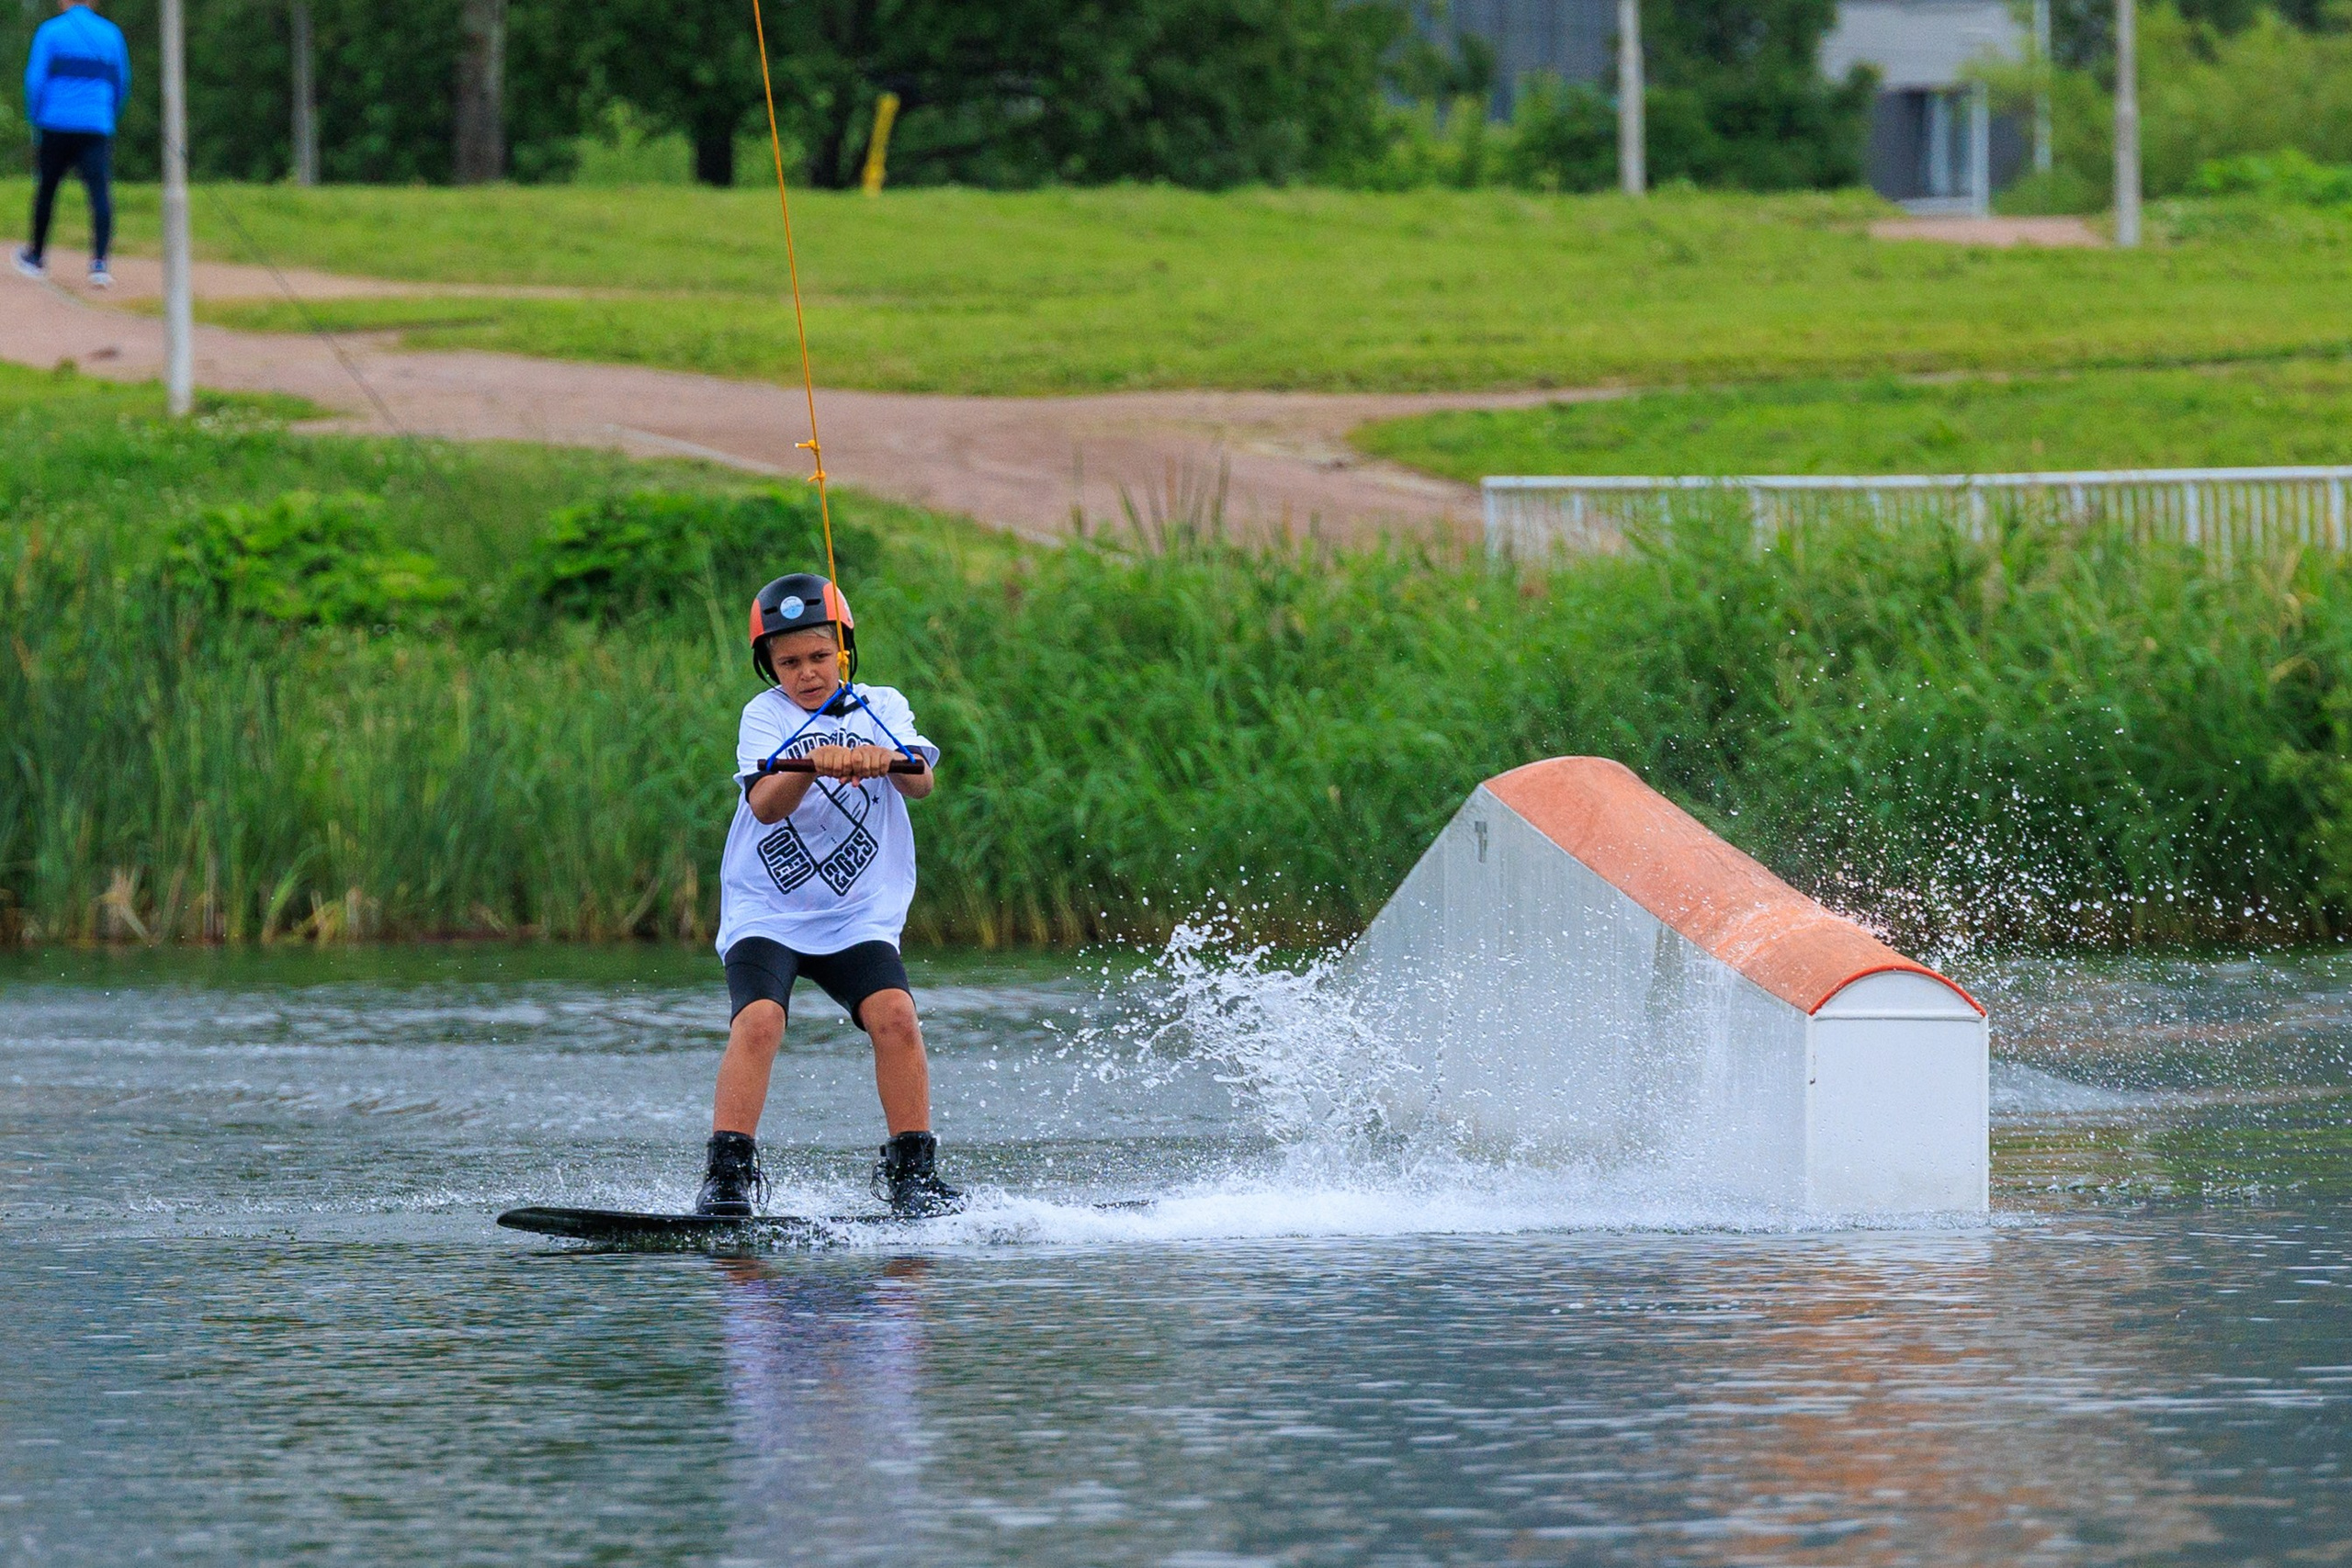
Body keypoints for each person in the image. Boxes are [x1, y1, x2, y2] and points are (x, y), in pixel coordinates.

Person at [699, 571, 965, 1220]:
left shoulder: (881, 705)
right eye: (789, 662)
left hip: (855, 915)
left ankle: (914, 1174)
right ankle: (727, 1178)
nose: (807, 674)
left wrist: (883, 756)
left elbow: (921, 781)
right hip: (769, 909)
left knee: (896, 1015)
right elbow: (764, 805)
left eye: (820, 657)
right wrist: (812, 762)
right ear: (770, 667)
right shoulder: (766, 716)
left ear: (844, 651)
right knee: (759, 1020)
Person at [15, 0, 130, 288]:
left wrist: (36, 116)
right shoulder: (111, 34)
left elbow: (35, 80)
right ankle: (99, 263)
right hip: (96, 124)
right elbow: (121, 82)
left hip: (55, 122)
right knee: (99, 191)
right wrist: (108, 114)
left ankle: (37, 256)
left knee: (47, 189)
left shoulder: (50, 32)